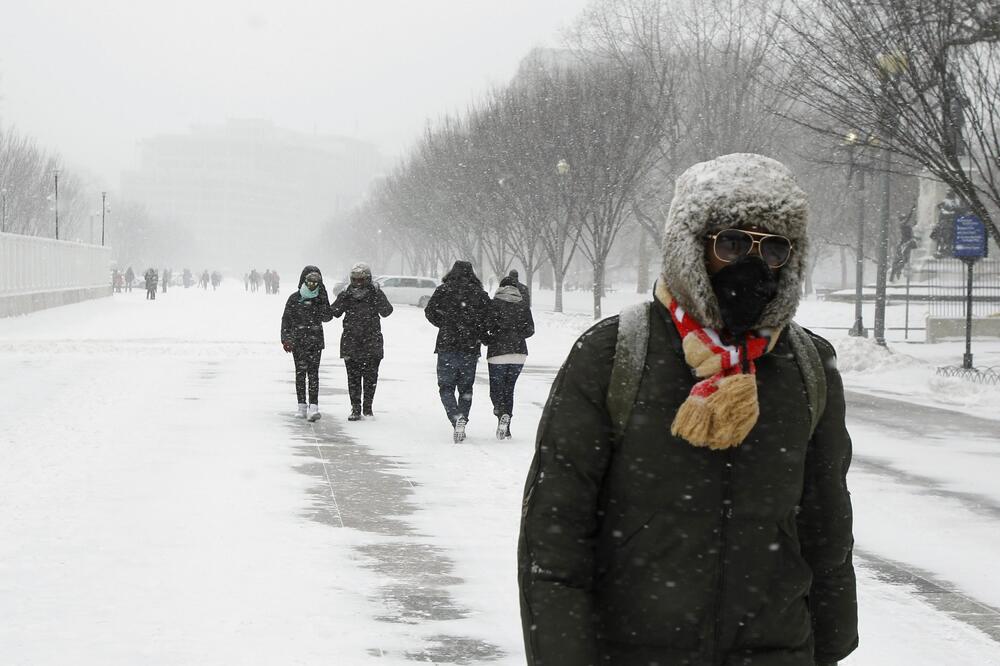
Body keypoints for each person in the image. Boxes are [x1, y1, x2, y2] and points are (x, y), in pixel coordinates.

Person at [518, 154, 857, 666]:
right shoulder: (614, 353)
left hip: (775, 651)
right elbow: (555, 533)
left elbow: (827, 526)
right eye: (733, 242)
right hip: (632, 652)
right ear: (691, 246)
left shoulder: (807, 364)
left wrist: (829, 648)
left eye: (774, 248)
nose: (753, 263)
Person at [424, 260, 491, 443]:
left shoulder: (443, 291)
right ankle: (462, 417)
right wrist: (477, 330)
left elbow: (429, 311)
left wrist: (444, 324)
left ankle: (455, 418)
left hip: (447, 345)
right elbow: (488, 318)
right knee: (465, 388)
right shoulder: (480, 294)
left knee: (445, 387)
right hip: (470, 347)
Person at [331, 262, 393, 421]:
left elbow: (387, 311)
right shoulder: (347, 293)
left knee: (371, 378)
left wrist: (378, 293)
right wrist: (341, 296)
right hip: (351, 342)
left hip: (371, 341)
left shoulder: (375, 292)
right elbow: (335, 312)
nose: (358, 283)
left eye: (361, 280)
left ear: (368, 279)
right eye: (355, 280)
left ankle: (368, 409)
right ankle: (356, 409)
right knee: (353, 378)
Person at [483, 275, 534, 440]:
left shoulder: (494, 304)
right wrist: (516, 335)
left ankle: (501, 413)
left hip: (498, 353)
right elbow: (530, 330)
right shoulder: (523, 305)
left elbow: (486, 326)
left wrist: (491, 338)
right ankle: (507, 426)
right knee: (508, 389)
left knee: (495, 391)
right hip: (519, 353)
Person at [280, 265, 334, 421]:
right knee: (300, 373)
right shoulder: (294, 298)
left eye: (316, 281)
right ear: (303, 280)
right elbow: (286, 320)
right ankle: (301, 406)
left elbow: (327, 317)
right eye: (309, 281)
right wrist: (286, 339)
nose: (312, 285)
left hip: (315, 341)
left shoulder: (320, 299)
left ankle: (314, 407)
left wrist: (323, 297)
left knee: (313, 374)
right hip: (298, 341)